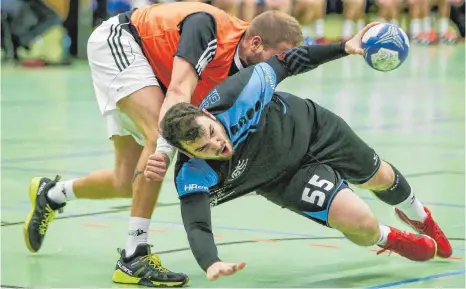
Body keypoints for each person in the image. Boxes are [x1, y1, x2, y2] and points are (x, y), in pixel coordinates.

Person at [23, 2, 303, 287]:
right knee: (158, 137)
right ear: (256, 43)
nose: (282, 65)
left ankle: (53, 194)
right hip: (122, 42)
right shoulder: (206, 28)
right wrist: (164, 149)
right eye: (280, 56)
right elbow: (179, 92)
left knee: (124, 181)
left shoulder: (249, 71)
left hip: (158, 69)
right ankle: (134, 256)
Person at [148, 23, 453, 281]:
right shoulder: (192, 174)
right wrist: (211, 262)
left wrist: (344, 47)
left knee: (380, 176)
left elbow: (288, 61)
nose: (217, 145)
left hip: (311, 128)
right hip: (283, 177)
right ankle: (391, 238)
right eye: (203, 149)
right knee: (361, 223)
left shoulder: (240, 91)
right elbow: (197, 224)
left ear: (211, 116)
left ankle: (420, 216)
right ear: (185, 151)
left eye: (213, 133)